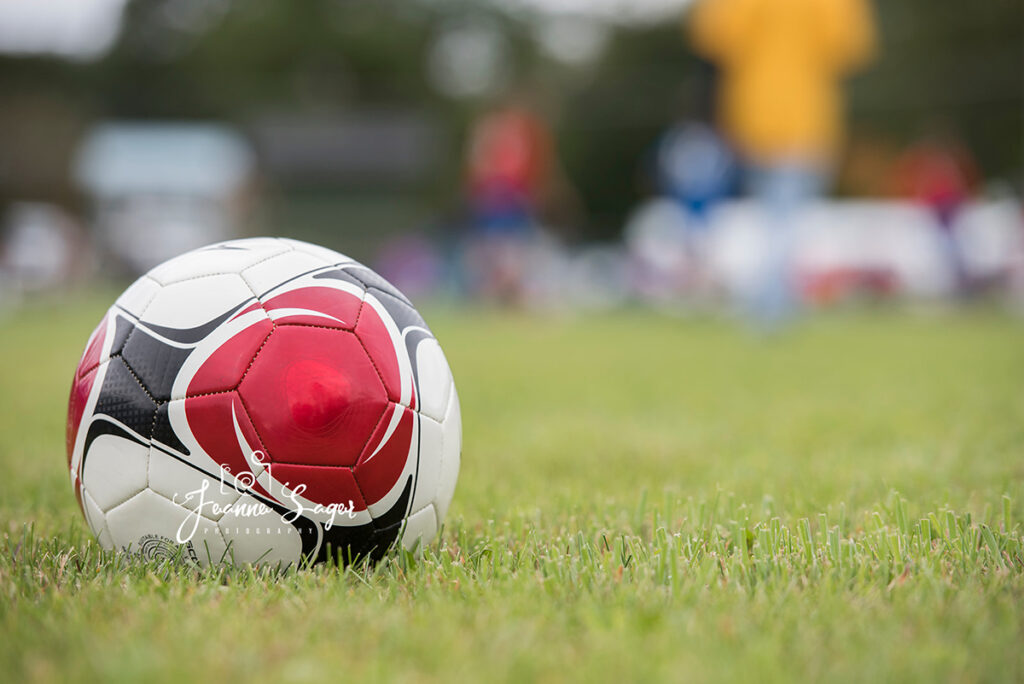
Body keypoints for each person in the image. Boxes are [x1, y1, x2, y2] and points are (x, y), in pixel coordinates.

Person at [689, 0, 877, 325]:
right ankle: (770, 309)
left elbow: (713, 37)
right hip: (807, 116)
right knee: (785, 219)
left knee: (770, 216)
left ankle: (769, 301)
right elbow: (850, 46)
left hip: (750, 114)